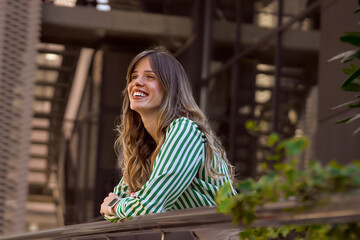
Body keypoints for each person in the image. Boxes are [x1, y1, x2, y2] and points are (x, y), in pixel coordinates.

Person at [100, 46, 237, 224]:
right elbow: (118, 209)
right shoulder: (146, 146)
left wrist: (115, 206)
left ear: (170, 88)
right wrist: (119, 206)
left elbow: (147, 207)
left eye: (150, 77)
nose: (137, 82)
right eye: (134, 77)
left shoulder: (184, 130)